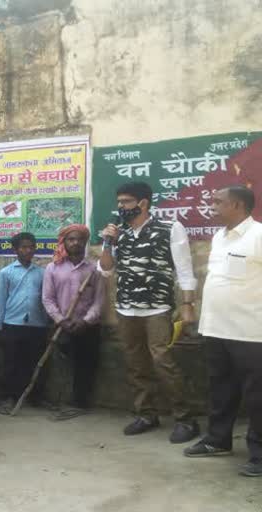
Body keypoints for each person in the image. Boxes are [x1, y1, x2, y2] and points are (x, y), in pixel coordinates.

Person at [100, 181, 199, 443]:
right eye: (119, 202)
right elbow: (106, 270)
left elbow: (185, 270)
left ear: (143, 203)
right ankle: (146, 414)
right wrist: (108, 243)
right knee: (135, 364)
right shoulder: (120, 233)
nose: (120, 207)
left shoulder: (170, 228)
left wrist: (188, 305)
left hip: (157, 308)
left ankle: (185, 419)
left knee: (163, 362)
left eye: (126, 202)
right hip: (126, 308)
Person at [184, 186, 262, 476]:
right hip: (216, 328)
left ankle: (259, 454)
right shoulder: (219, 236)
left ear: (237, 205)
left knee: (257, 396)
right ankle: (218, 440)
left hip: (251, 332)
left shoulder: (258, 236)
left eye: (218, 202)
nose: (212, 206)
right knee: (220, 388)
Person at [42, 224, 105, 420]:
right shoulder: (53, 268)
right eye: (71, 239)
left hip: (87, 327)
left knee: (86, 366)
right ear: (64, 242)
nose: (75, 242)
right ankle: (60, 401)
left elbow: (99, 300)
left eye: (79, 239)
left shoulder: (94, 269)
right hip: (62, 327)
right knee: (62, 365)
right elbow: (47, 299)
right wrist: (61, 320)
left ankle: (80, 402)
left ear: (85, 242)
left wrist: (86, 321)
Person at [0, 232, 49, 407]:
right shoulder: (6, 272)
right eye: (24, 247)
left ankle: (35, 397)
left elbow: (45, 298)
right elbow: (1, 299)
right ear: (15, 250)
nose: (28, 250)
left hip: (37, 324)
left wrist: (48, 321)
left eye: (31, 247)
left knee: (34, 362)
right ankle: (10, 396)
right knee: (11, 362)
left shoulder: (42, 273)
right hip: (12, 323)